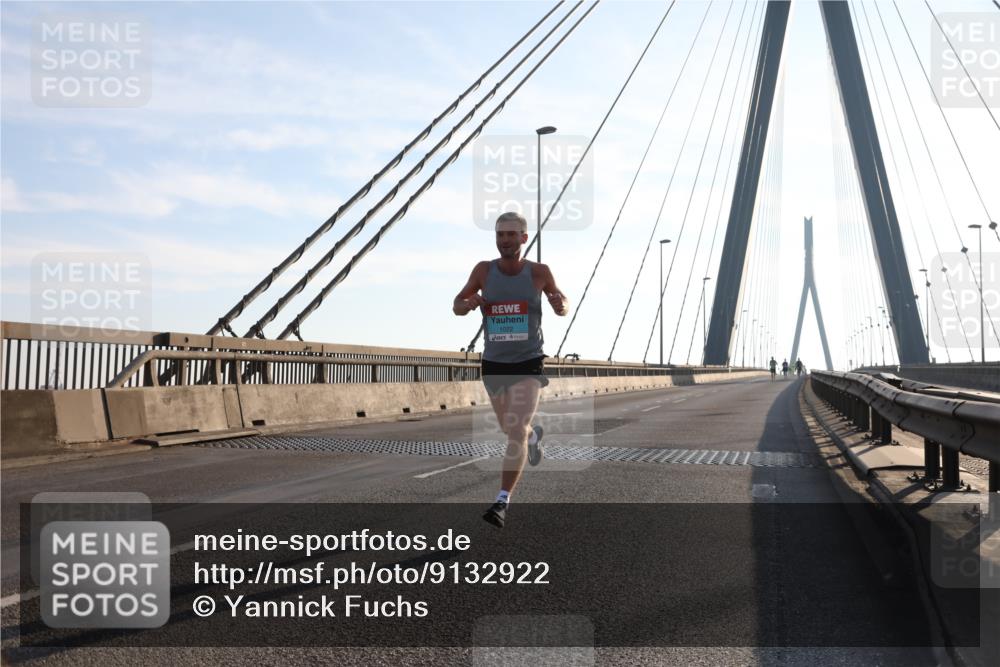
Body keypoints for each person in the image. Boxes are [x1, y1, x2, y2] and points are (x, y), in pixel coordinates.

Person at [453, 211, 569, 528]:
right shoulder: (483, 270)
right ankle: (532, 439)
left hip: (529, 361)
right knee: (510, 429)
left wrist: (560, 305)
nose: (505, 240)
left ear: (523, 237)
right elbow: (457, 306)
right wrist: (469, 302)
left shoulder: (539, 272)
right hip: (494, 362)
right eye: (500, 234)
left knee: (515, 428)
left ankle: (502, 500)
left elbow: (562, 302)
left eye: (511, 234)